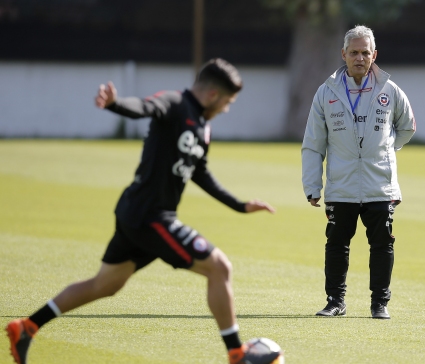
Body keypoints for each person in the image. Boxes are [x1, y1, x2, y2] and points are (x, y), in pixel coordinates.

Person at [5, 58, 282, 364]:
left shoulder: (203, 127)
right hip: (151, 216)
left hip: (137, 214)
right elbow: (144, 106)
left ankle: (27, 327)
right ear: (215, 95)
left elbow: (200, 173)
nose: (227, 108)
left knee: (105, 285)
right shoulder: (175, 103)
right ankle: (236, 354)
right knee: (220, 268)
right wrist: (115, 104)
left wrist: (240, 206)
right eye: (228, 102)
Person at [302, 25, 416, 319]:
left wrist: (388, 148)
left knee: (382, 245)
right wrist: (312, 185)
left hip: (380, 185)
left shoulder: (389, 90)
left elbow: (407, 127)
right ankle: (335, 302)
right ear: (343, 54)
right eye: (354, 52)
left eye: (366, 52)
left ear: (374, 54)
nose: (360, 57)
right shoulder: (326, 92)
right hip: (341, 186)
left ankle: (380, 304)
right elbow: (313, 144)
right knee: (336, 245)